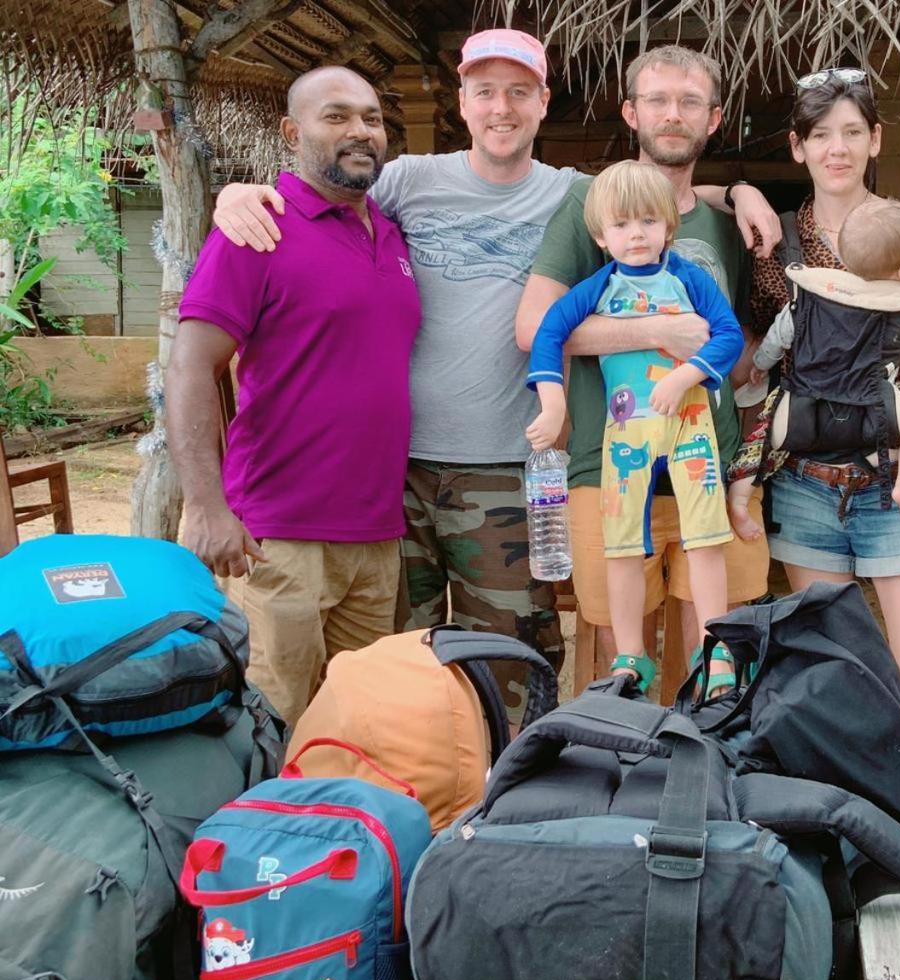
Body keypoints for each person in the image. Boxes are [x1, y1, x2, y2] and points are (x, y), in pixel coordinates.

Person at [211, 32, 776, 720]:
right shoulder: (408, 180)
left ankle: (510, 795)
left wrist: (740, 190)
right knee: (401, 655)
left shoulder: (577, 194)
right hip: (397, 470)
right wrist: (246, 192)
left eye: (518, 92)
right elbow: (324, 189)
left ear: (543, 103)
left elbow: (657, 192)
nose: (501, 108)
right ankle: (419, 792)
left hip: (511, 466)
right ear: (462, 102)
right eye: (485, 91)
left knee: (513, 657)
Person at [749, 68, 900, 822]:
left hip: (894, 486)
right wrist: (731, 192)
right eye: (820, 135)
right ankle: (855, 849)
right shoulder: (777, 239)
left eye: (852, 131)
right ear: (799, 147)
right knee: (833, 686)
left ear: (876, 139)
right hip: (806, 487)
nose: (836, 148)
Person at [167, 67, 420, 728]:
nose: (360, 131)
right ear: (292, 132)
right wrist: (203, 504)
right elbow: (192, 365)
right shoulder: (258, 231)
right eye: (336, 116)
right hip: (277, 538)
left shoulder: (391, 236)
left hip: (375, 537)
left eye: (371, 117)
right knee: (268, 726)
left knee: (359, 729)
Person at [516, 46, 773, 676]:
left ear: (713, 119)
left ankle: (705, 768)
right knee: (615, 652)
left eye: (689, 102)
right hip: (609, 460)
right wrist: (664, 332)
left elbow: (731, 344)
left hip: (706, 453)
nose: (672, 115)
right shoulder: (593, 209)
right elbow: (534, 330)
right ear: (631, 111)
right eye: (657, 100)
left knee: (714, 647)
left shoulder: (721, 224)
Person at [526, 161, 745, 693]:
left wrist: (686, 376)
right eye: (622, 224)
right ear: (601, 235)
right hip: (626, 438)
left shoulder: (687, 278)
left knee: (706, 539)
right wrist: (552, 407)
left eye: (648, 221)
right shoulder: (597, 287)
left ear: (669, 226)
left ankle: (717, 649)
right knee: (622, 546)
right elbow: (547, 334)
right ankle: (630, 654)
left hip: (691, 427)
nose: (637, 235)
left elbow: (728, 335)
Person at [728, 197, 900, 538]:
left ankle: (739, 498)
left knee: (762, 440)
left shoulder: (811, 293)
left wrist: (760, 366)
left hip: (804, 400)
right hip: (876, 408)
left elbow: (776, 339)